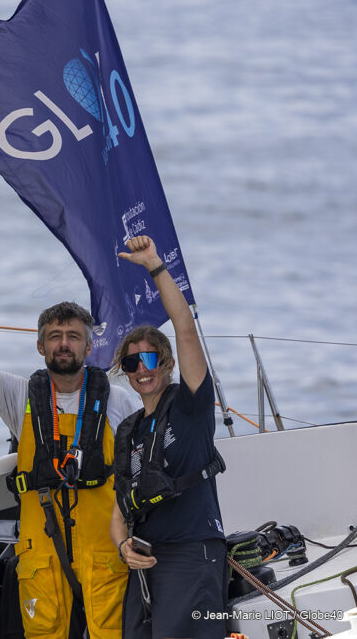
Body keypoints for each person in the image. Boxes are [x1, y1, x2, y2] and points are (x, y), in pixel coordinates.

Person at [0, 245, 134, 639]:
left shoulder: (119, 400)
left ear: (88, 346)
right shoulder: (19, 395)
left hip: (104, 550)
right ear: (40, 346)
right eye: (55, 336)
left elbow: (141, 471)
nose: (64, 343)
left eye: (73, 336)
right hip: (41, 553)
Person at [109, 235, 227, 639]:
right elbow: (118, 510)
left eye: (149, 359)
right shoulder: (128, 430)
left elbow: (185, 329)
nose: (141, 369)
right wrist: (123, 547)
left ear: (167, 362)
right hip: (145, 562)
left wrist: (155, 266)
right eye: (131, 363)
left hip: (191, 553)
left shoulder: (189, 405)